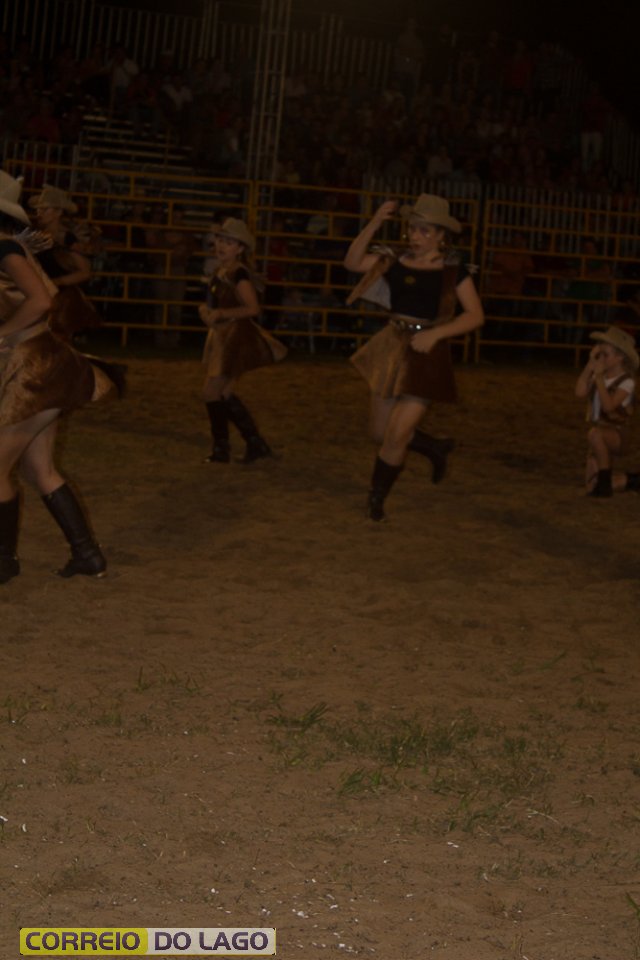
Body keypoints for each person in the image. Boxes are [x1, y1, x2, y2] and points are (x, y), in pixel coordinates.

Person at [0, 170, 119, 584]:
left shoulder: (3, 247)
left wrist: (2, 333)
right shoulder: (9, 245)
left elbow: (41, 300)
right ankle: (87, 556)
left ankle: (3, 563)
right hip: (41, 363)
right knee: (39, 469)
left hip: (35, 367)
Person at [345, 194, 484, 521]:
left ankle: (376, 500)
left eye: (425, 231)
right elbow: (352, 262)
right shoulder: (394, 259)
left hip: (426, 353)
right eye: (413, 229)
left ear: (441, 235)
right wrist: (375, 222)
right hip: (392, 346)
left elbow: (475, 315)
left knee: (396, 436)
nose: (415, 236)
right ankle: (433, 447)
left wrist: (436, 334)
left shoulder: (453, 271)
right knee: (379, 433)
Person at [197, 217, 286, 464]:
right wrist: (206, 312)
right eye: (220, 240)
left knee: (211, 392)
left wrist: (221, 314)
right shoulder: (222, 271)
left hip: (234, 336)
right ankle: (254, 443)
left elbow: (253, 308)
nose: (221, 245)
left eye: (229, 242)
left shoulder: (238, 273)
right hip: (226, 335)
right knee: (223, 392)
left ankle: (222, 448)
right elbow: (214, 304)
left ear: (240, 248)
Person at [28, 184, 102, 342]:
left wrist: (56, 282)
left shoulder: (66, 238)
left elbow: (84, 271)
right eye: (38, 209)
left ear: (58, 212)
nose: (39, 213)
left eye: (45, 209)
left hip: (60, 299)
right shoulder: (38, 234)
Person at [574, 326, 638, 497]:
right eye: (599, 354)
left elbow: (609, 407)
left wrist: (599, 378)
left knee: (594, 433)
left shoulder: (627, 382)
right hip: (600, 433)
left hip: (618, 434)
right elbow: (579, 392)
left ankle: (604, 484)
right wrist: (590, 364)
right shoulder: (601, 374)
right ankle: (630, 481)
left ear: (620, 357)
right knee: (590, 487)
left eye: (605, 355)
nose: (601, 358)